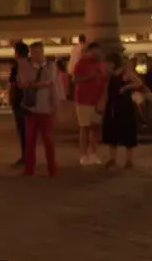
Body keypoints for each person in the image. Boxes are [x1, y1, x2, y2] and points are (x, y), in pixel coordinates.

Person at [18, 41, 61, 177]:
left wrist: (34, 84)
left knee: (48, 140)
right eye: (33, 52)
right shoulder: (26, 66)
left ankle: (52, 168)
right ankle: (29, 169)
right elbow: (24, 83)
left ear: (43, 52)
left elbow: (51, 82)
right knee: (30, 140)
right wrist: (42, 83)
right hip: (31, 108)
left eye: (38, 52)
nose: (36, 55)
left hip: (46, 108)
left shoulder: (51, 66)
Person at [100, 53, 142, 169]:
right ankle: (112, 158)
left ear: (112, 63)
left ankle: (129, 160)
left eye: (107, 64)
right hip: (113, 104)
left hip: (125, 105)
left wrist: (126, 87)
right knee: (112, 131)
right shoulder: (110, 75)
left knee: (127, 131)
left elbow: (138, 82)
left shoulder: (125, 72)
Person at [71, 42, 106, 166]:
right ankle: (83, 154)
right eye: (95, 51)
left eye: (99, 52)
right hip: (83, 100)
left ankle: (93, 153)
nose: (97, 54)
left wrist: (102, 99)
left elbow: (104, 82)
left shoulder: (101, 64)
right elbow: (74, 79)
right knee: (84, 128)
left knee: (95, 128)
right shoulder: (81, 63)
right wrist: (89, 76)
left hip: (96, 101)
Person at [8, 41, 29, 166]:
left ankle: (25, 155)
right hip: (30, 101)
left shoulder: (16, 66)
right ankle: (29, 155)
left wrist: (10, 98)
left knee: (22, 129)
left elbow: (13, 84)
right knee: (29, 130)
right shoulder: (31, 64)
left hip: (19, 101)